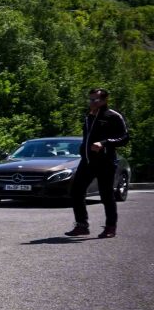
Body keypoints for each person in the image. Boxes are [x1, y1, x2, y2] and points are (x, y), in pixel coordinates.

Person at [65, 88, 130, 239]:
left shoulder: (113, 116)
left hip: (105, 162)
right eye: (90, 99)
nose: (92, 102)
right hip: (87, 161)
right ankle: (82, 225)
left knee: (106, 195)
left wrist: (104, 143)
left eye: (95, 100)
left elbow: (124, 138)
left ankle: (110, 227)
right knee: (76, 192)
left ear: (104, 100)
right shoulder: (89, 117)